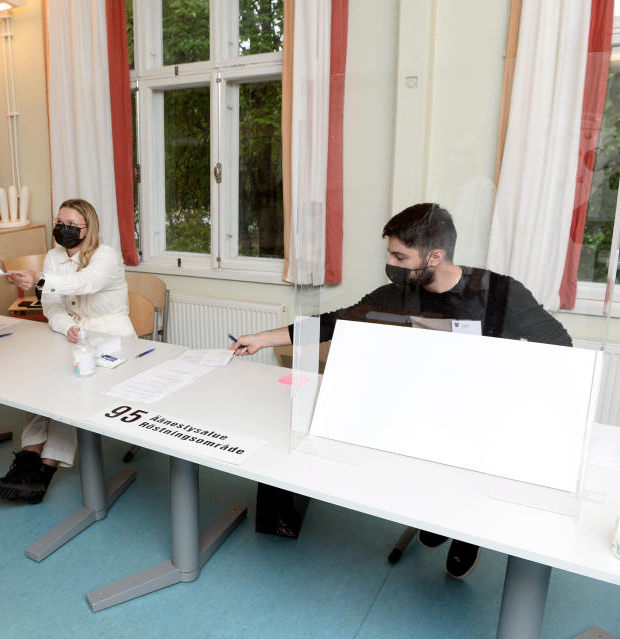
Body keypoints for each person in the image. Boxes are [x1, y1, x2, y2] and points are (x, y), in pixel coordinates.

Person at [231, 202, 571, 579]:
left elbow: (559, 344)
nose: (391, 263)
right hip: (421, 409)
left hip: (481, 414)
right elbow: (334, 323)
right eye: (390, 253)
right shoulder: (398, 291)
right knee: (423, 471)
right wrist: (263, 338)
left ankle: (466, 537)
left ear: (435, 256)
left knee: (467, 477)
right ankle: (440, 517)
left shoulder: (500, 293)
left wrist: (509, 380)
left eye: (400, 255)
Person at [0, 198, 135, 504]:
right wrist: (68, 327)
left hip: (113, 338)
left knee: (71, 391)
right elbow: (52, 308)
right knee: (41, 383)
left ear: (88, 229)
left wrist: (40, 280)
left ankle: (44, 470)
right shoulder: (54, 257)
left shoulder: (106, 255)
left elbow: (84, 283)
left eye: (71, 225)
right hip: (73, 335)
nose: (62, 229)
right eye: (59, 222)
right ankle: (27, 462)